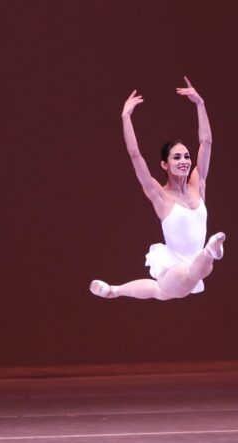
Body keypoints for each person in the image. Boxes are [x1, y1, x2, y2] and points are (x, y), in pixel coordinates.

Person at [90, 77, 225, 300]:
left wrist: (200, 105)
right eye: (176, 157)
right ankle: (211, 251)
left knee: (160, 292)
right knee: (193, 272)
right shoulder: (160, 195)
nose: (184, 161)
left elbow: (206, 142)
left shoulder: (198, 184)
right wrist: (126, 118)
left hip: (187, 272)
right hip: (175, 269)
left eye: (186, 156)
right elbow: (135, 155)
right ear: (164, 165)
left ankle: (114, 290)